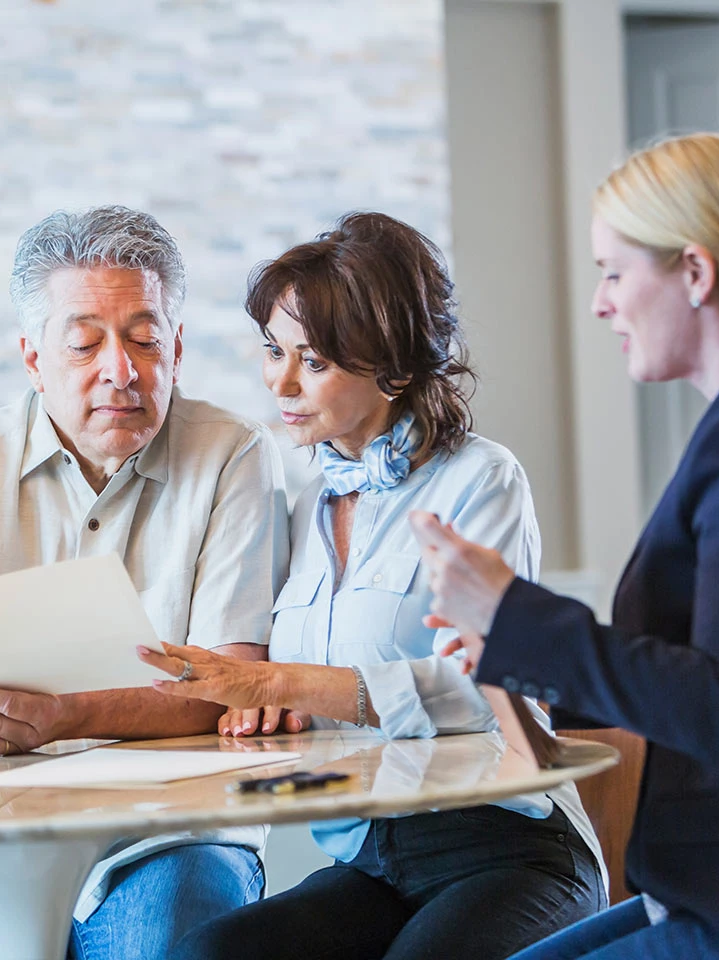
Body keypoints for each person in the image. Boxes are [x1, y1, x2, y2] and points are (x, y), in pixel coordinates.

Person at [413, 133, 719, 960]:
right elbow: (704, 672)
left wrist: (514, 614)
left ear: (696, 274)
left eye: (613, 271)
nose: (601, 303)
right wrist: (516, 650)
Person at [135, 211, 607, 960]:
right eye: (273, 351)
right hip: (373, 861)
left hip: (509, 849)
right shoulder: (299, 505)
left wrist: (290, 682)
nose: (281, 383)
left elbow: (492, 689)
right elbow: (304, 704)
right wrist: (273, 712)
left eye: (313, 362)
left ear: (393, 367)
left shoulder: (481, 482)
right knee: (207, 954)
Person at [0, 205, 290, 960]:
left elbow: (235, 681)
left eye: (146, 341)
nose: (121, 370)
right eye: (84, 343)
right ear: (31, 358)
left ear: (177, 351)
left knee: (169, 945)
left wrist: (58, 715)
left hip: (173, 832)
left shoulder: (234, 457)